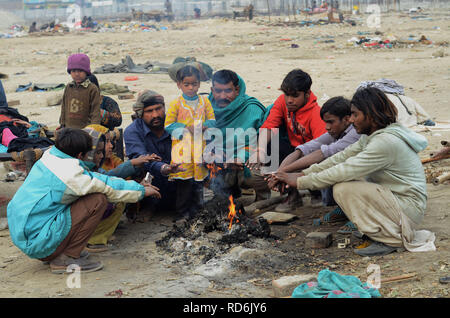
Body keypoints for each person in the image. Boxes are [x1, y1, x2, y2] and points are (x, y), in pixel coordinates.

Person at [271, 87, 435, 257]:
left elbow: (343, 170)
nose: (351, 120)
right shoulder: (370, 137)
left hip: (408, 209)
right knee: (348, 179)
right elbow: (339, 159)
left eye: (355, 115)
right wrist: (301, 175)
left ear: (370, 115)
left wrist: (298, 181)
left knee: (343, 187)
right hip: (398, 201)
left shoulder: (384, 142)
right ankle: (380, 230)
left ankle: (392, 239)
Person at [7, 128, 159, 273]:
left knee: (89, 196)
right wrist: (142, 191)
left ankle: (59, 252)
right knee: (97, 200)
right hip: (38, 242)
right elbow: (107, 186)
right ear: (80, 155)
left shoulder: (50, 156)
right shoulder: (70, 174)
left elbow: (101, 178)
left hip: (26, 235)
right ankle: (67, 258)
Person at [269, 96, 360, 214]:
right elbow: (303, 149)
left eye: (331, 122)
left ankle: (355, 213)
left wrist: (282, 173)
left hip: (366, 178)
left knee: (330, 169)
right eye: (326, 122)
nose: (327, 127)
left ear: (347, 119)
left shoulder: (355, 133)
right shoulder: (336, 131)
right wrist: (280, 173)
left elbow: (322, 153)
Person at [82, 125, 160, 252]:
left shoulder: (104, 162)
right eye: (106, 142)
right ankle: (94, 239)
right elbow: (109, 181)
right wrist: (137, 183)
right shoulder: (82, 169)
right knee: (115, 199)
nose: (111, 146)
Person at [208, 69, 270, 201]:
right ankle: (226, 193)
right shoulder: (205, 107)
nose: (223, 96)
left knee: (257, 168)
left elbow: (261, 143)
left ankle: (263, 199)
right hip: (220, 159)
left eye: (228, 91)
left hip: (245, 160)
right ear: (212, 90)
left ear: (237, 89)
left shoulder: (251, 108)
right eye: (218, 91)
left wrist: (239, 157)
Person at [165, 65, 216, 220]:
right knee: (184, 183)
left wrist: (206, 125)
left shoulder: (204, 101)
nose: (191, 88)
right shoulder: (176, 104)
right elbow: (168, 126)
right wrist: (186, 128)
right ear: (179, 85)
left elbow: (213, 120)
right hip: (182, 151)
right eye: (186, 84)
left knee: (198, 182)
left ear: (199, 84)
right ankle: (182, 213)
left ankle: (198, 211)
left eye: (194, 84)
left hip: (200, 148)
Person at [124, 90, 183, 218]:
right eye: (149, 111)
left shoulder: (175, 125)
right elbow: (140, 158)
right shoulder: (132, 131)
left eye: (158, 109)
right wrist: (163, 168)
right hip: (151, 179)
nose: (155, 115)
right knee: (138, 170)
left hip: (178, 177)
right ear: (140, 114)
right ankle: (149, 206)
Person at [58, 53, 101, 130]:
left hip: (85, 129)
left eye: (80, 71)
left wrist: (94, 128)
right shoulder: (68, 87)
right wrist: (62, 124)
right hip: (69, 129)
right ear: (70, 72)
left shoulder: (92, 89)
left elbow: (95, 112)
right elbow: (64, 107)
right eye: (74, 71)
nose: (77, 74)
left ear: (86, 72)